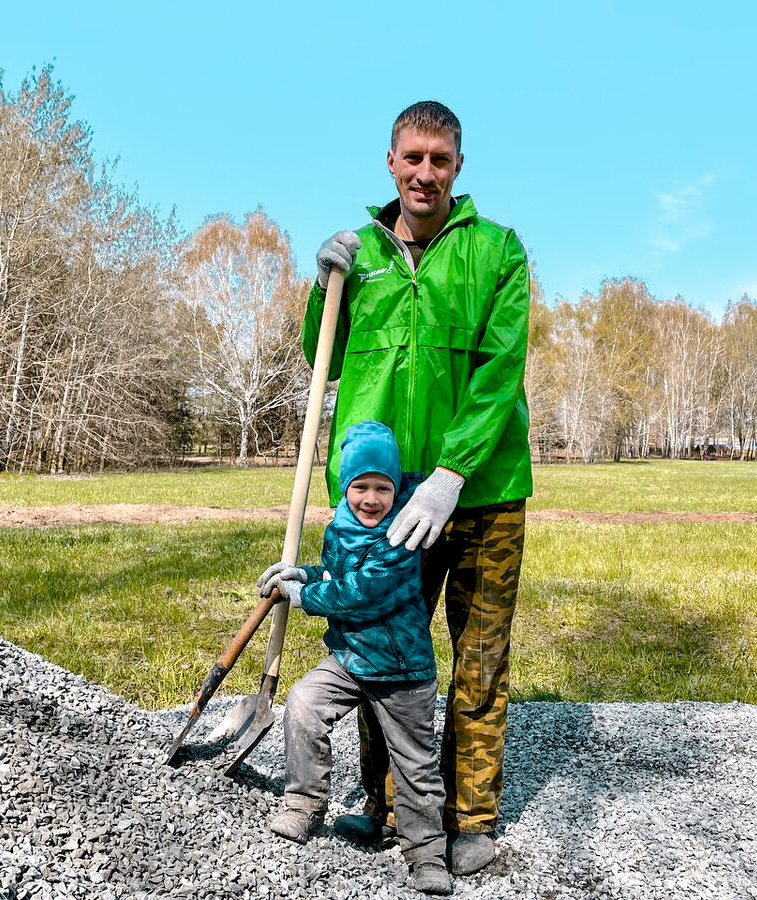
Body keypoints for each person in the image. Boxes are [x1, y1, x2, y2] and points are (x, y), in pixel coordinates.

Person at [302, 100, 531, 876]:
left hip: (485, 493)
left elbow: (500, 375)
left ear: (458, 166)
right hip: (386, 501)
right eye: (412, 158)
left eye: (439, 159)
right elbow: (322, 358)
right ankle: (390, 804)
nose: (424, 173)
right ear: (390, 162)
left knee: (479, 661)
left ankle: (470, 820)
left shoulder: (496, 252)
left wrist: (454, 471)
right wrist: (323, 282)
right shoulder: (359, 255)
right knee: (380, 649)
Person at [259, 421, 452, 896]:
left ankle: (426, 853)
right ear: (345, 488)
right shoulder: (340, 527)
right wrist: (302, 571)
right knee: (303, 702)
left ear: (396, 489)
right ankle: (304, 803)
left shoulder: (403, 535)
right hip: (350, 657)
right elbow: (336, 572)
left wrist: (307, 596)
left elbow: (363, 591)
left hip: (401, 670)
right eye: (360, 486)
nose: (371, 498)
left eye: (382, 488)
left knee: (414, 762)